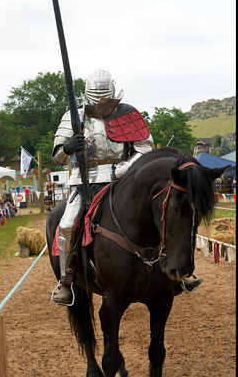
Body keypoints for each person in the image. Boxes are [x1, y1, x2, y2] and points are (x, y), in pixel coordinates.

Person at [52, 69, 203, 305]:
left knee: (162, 214)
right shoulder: (74, 116)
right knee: (68, 224)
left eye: (107, 102)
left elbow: (144, 150)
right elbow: (58, 158)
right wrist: (69, 147)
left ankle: (179, 274)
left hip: (125, 179)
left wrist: (121, 170)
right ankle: (66, 281)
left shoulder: (128, 114)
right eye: (97, 103)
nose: (103, 107)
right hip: (86, 181)